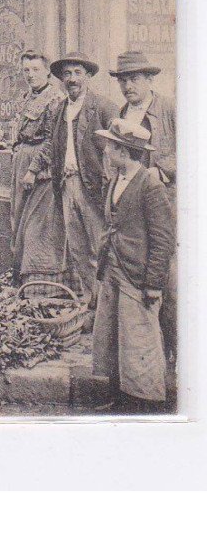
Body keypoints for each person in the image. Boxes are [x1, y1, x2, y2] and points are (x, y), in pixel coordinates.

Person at [92, 119, 175, 413]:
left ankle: (144, 403)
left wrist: (153, 284)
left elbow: (163, 239)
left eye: (110, 147)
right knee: (112, 333)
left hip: (136, 275)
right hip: (113, 268)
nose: (106, 151)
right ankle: (119, 397)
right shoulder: (117, 178)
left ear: (124, 152)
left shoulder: (150, 185)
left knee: (139, 338)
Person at [32, 52, 118, 307]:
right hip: (66, 185)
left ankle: (109, 305)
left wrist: (110, 184)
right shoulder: (59, 109)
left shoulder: (103, 107)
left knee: (100, 247)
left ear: (88, 76)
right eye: (67, 74)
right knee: (79, 248)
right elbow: (52, 145)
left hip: (93, 187)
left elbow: (116, 151)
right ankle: (92, 300)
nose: (72, 79)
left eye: (78, 73)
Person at [110, 50, 177, 360]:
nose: (128, 86)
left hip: (164, 204)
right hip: (131, 213)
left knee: (166, 279)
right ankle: (144, 355)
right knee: (136, 282)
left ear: (150, 79)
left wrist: (162, 171)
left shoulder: (169, 110)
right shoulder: (122, 113)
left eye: (134, 79)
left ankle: (174, 352)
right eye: (123, 80)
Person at [11, 49, 67, 291]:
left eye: (35, 70)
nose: (30, 75)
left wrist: (33, 169)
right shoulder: (27, 97)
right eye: (26, 70)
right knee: (19, 220)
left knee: (37, 225)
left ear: (47, 72)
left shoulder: (55, 98)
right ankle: (21, 283)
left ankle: (42, 286)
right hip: (22, 161)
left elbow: (52, 140)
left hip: (41, 169)